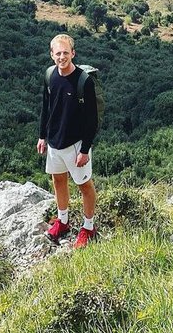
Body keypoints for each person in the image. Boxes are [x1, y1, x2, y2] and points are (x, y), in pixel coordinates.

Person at [37, 33, 99, 248]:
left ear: (73, 53)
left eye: (66, 52)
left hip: (75, 145)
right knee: (58, 181)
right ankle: (62, 222)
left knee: (84, 185)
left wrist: (85, 149)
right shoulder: (50, 75)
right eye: (58, 53)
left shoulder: (84, 82)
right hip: (54, 142)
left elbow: (92, 120)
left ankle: (88, 227)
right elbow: (46, 107)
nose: (61, 57)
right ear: (51, 55)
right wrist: (42, 136)